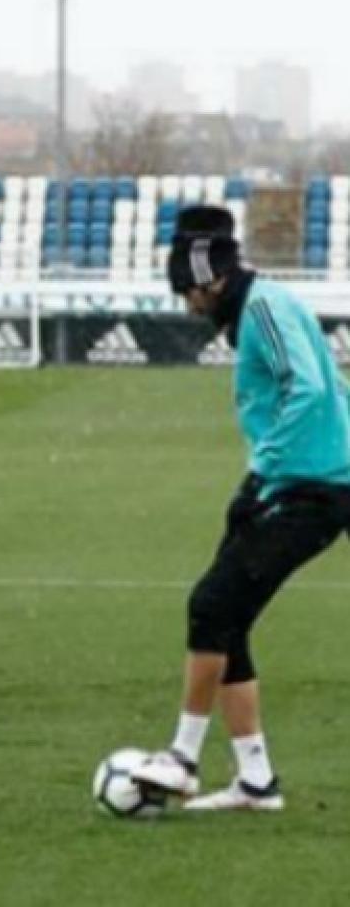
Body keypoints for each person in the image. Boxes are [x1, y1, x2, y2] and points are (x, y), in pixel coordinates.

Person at [131, 207, 350, 812]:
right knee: (229, 620)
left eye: (187, 292)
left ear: (212, 280)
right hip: (292, 482)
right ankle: (255, 781)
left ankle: (181, 758)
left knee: (212, 606)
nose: (186, 305)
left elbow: (307, 388)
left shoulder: (262, 310)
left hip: (311, 490)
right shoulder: (259, 306)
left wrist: (266, 469)